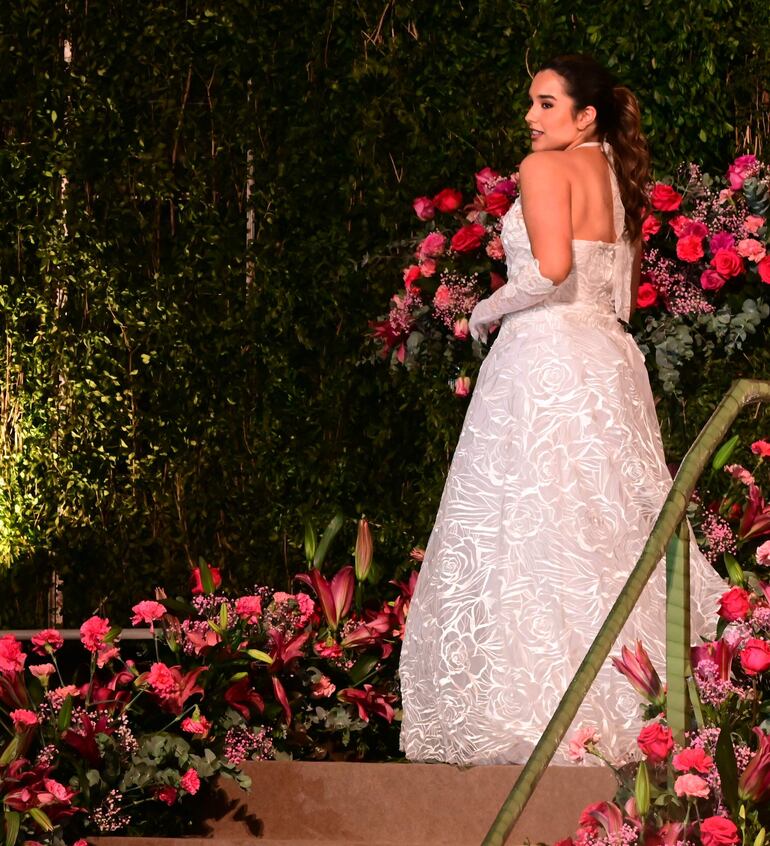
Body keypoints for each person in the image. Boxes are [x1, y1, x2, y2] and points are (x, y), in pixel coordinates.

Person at [398, 54, 725, 766]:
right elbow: (618, 297)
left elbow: (550, 272)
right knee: (604, 526)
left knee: (532, 527)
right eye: (532, 102)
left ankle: (538, 713)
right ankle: (637, 711)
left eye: (546, 103)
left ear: (586, 115)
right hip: (606, 361)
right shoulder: (614, 176)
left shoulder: (544, 168)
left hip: (544, 359)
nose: (530, 116)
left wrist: (485, 310)